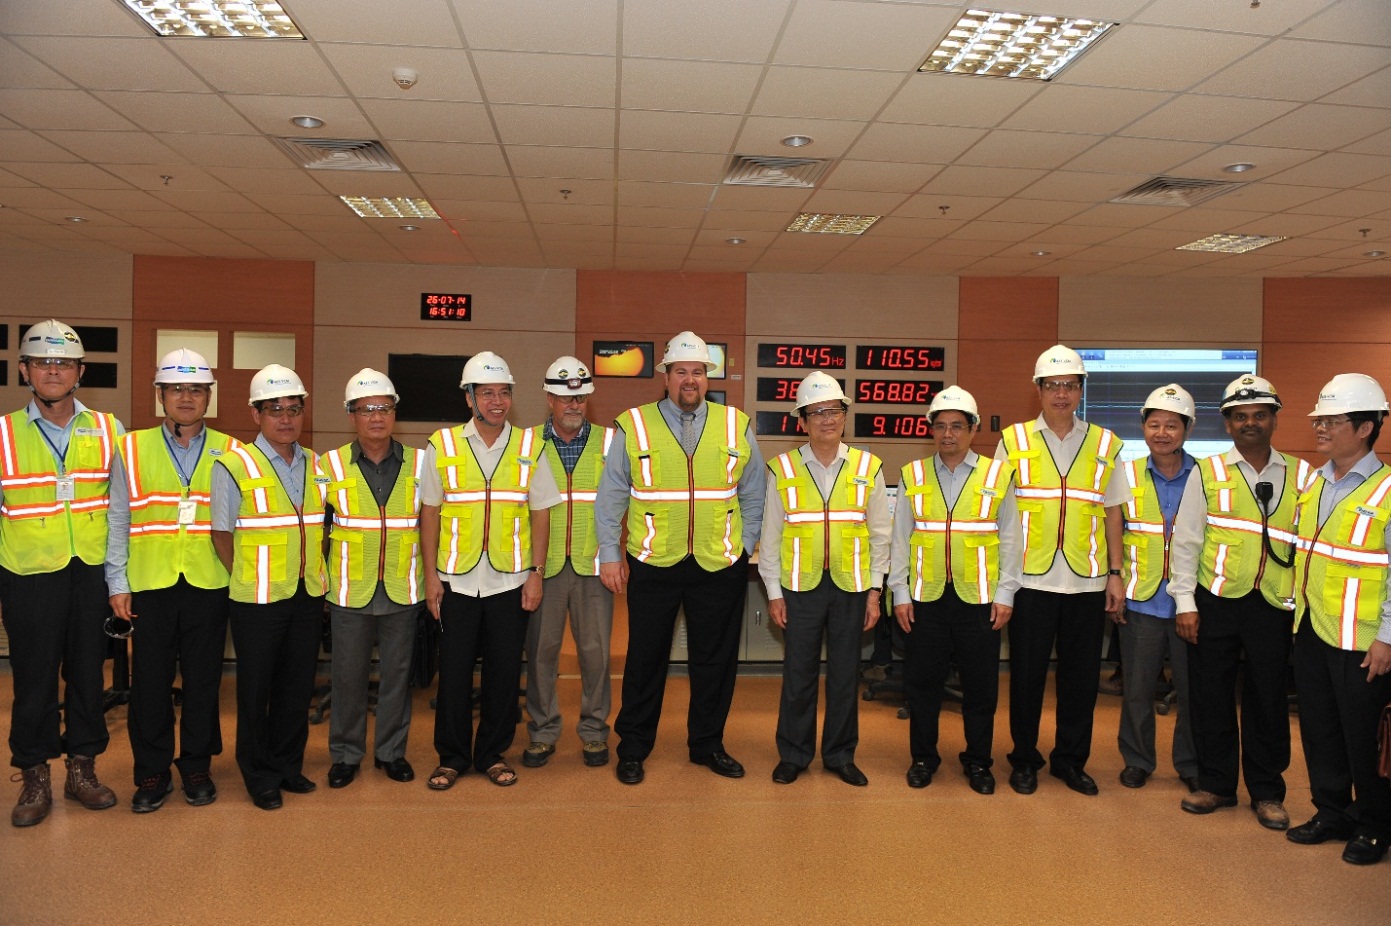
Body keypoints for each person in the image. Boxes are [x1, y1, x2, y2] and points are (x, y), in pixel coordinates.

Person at [596, 331, 765, 785]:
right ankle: (632, 748)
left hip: (718, 563)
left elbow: (754, 492)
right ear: (665, 376)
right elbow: (611, 494)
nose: (690, 379)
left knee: (715, 661)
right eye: (681, 371)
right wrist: (610, 553)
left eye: (697, 372)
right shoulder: (632, 424)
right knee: (644, 659)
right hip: (654, 561)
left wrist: (744, 545)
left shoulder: (736, 424)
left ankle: (708, 745)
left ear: (706, 376)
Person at [1169, 374, 1318, 830]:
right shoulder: (1207, 472)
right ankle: (1215, 784)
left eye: (1258, 415)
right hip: (1215, 600)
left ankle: (1268, 792)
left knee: (1268, 698)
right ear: (1227, 423)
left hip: (1273, 604)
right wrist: (1185, 603)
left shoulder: (1302, 475)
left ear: (1274, 419)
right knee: (1210, 694)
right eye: (1239, 416)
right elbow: (1187, 541)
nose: (1249, 423)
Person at [1, 320, 122, 827]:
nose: (54, 371)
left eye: (64, 363)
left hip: (90, 570)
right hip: (29, 572)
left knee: (89, 676)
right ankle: (34, 774)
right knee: (32, 679)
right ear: (25, 370)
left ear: (80, 372)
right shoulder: (4, 433)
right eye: (43, 362)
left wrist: (119, 579)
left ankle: (82, 769)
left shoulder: (108, 428)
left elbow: (122, 508)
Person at [420, 351, 559, 790]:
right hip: (457, 580)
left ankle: (493, 754)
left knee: (503, 674)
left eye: (503, 393)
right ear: (469, 398)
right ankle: (452, 757)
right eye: (486, 393)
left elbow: (541, 513)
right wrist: (430, 577)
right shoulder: (440, 446)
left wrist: (535, 572)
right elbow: (429, 514)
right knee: (455, 674)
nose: (496, 401)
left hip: (511, 580)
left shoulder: (530, 446)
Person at [107, 349, 237, 812]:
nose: (187, 397)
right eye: (177, 389)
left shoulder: (232, 450)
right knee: (150, 681)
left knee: (204, 680)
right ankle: (152, 772)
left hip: (209, 580)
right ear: (160, 394)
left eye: (196, 389)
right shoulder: (131, 447)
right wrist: (116, 582)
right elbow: (118, 517)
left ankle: (197, 765)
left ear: (208, 397)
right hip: (150, 582)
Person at [995, 345, 1127, 796]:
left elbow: (1112, 512)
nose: (1061, 394)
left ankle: (1070, 761)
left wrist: (1115, 572)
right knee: (1027, 676)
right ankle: (1025, 759)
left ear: (1081, 390)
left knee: (1080, 680)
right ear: (1038, 390)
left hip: (1087, 582)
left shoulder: (1106, 443)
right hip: (1030, 579)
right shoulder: (1012, 441)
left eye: (1070, 385)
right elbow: (996, 512)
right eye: (1052, 385)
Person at [760, 372, 889, 787]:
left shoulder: (868, 467)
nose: (825, 420)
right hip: (799, 588)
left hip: (852, 588)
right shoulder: (782, 468)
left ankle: (839, 755)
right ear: (802, 421)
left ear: (844, 416)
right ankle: (794, 754)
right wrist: (774, 593)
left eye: (832, 411)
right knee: (797, 674)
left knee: (845, 674)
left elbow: (880, 535)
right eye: (815, 413)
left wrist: (874, 591)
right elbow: (770, 535)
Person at [211, 364, 327, 811]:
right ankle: (258, 774)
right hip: (256, 599)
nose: (286, 418)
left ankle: (287, 766)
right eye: (274, 409)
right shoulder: (233, 464)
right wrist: (249, 572)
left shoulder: (316, 464)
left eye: (293, 409)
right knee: (255, 690)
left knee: (297, 687)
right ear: (256, 414)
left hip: (305, 594)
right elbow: (221, 533)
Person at [891, 385, 1016, 793]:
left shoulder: (998, 475)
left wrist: (1006, 594)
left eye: (957, 426)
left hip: (979, 599)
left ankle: (978, 762)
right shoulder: (912, 475)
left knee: (980, 687)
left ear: (973, 429)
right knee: (921, 685)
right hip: (926, 598)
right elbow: (900, 539)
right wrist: (900, 592)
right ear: (931, 430)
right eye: (941, 426)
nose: (948, 434)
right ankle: (923, 758)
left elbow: (1012, 539)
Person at [1288, 373, 1391, 865]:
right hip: (1312, 630)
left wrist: (1388, 639)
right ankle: (1331, 811)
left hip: (1363, 641)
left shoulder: (1388, 490)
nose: (1320, 428)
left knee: (1362, 740)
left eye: (1331, 420)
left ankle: (1374, 824)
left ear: (1367, 427)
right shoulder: (1316, 481)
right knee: (1320, 730)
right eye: (1318, 420)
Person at [320, 369, 423, 789]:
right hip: (349, 590)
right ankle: (345, 755)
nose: (376, 417)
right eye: (366, 410)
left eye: (384, 408)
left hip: (403, 586)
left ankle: (390, 753)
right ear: (351, 415)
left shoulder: (422, 462)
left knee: (399, 676)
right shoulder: (325, 466)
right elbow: (313, 528)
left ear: (395, 413)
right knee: (347, 677)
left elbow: (432, 523)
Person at [522, 357, 617, 770]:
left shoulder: (613, 443)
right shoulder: (524, 445)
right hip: (542, 567)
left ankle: (595, 733)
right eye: (564, 397)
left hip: (594, 567)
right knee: (541, 653)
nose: (572, 404)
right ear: (549, 399)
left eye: (579, 396)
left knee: (595, 655)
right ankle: (542, 733)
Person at [1110, 385, 1200, 793]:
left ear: (1187, 428)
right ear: (1143, 428)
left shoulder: (1207, 477)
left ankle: (1191, 763)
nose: (1162, 433)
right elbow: (1115, 529)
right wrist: (1115, 579)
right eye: (1154, 424)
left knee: (1194, 691)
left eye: (1172, 425)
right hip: (1141, 599)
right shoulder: (1126, 475)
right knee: (1138, 690)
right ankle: (1138, 760)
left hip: (1191, 603)